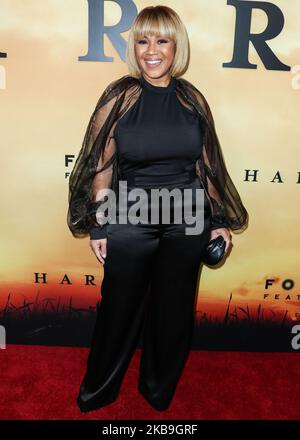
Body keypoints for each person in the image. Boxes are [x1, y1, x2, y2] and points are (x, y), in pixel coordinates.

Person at [67, 5, 248, 413]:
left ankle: (157, 390)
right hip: (130, 218)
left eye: (162, 40)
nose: (152, 50)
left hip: (187, 219)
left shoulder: (192, 98)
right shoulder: (120, 96)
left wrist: (217, 221)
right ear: (135, 47)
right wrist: (99, 226)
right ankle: (98, 392)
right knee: (118, 309)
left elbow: (207, 165)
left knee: (173, 311)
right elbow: (102, 164)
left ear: (175, 47)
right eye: (143, 40)